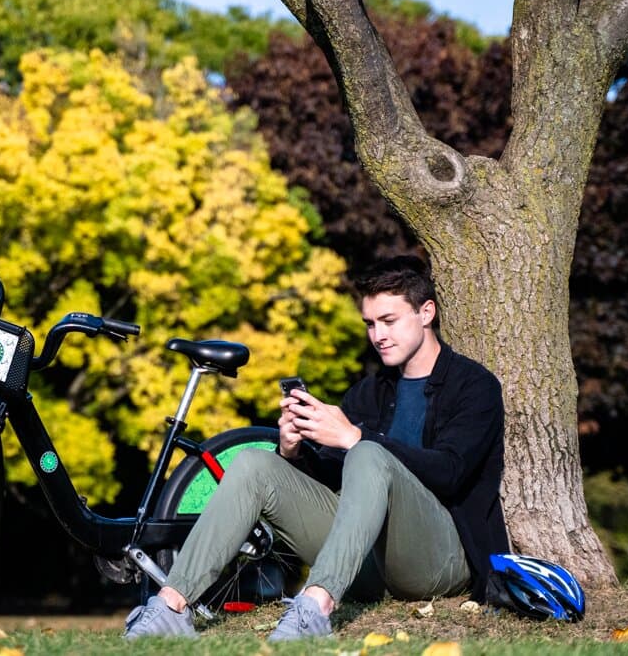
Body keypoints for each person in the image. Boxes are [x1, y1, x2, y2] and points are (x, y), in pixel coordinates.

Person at [124, 255, 509, 640]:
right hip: (365, 564)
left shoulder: (474, 385)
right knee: (254, 463)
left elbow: (451, 473)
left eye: (389, 321)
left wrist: (357, 439)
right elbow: (334, 476)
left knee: (369, 453)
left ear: (426, 313)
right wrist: (295, 451)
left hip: (439, 559)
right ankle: (172, 605)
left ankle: (315, 609)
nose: (378, 335)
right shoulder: (370, 391)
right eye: (371, 324)